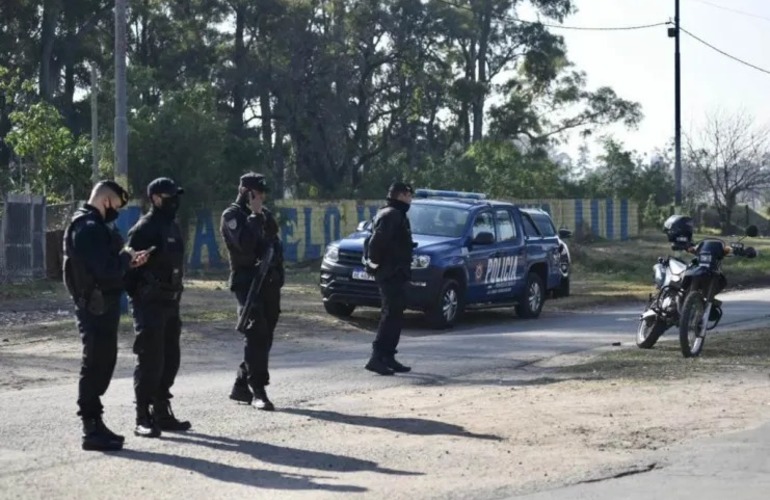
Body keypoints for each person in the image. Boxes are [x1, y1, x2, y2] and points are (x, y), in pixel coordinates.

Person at [62, 180, 151, 451]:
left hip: (103, 305)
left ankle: (96, 423)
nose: (117, 213)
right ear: (106, 201)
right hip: (94, 307)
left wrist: (128, 261)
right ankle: (91, 428)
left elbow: (110, 265)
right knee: (95, 364)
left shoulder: (97, 226)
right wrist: (126, 259)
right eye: (117, 207)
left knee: (104, 362)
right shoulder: (87, 228)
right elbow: (105, 269)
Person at [125, 177, 191, 438]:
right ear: (154, 198)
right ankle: (142, 415)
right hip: (149, 304)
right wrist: (141, 297)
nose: (174, 201)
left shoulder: (172, 227)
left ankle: (162, 412)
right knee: (150, 360)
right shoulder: (144, 228)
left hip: (170, 302)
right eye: (168, 196)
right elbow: (128, 272)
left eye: (176, 196)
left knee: (170, 359)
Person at [220, 173, 284, 410]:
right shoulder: (232, 216)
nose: (262, 196)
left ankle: (241, 382)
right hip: (247, 282)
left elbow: (274, 241)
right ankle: (258, 389)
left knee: (265, 336)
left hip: (269, 283)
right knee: (256, 332)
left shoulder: (263, 214)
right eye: (257, 192)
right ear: (245, 191)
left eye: (263, 192)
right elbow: (245, 245)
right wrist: (255, 215)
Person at [364, 181, 415, 376]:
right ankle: (376, 357)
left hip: (398, 273)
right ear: (401, 195)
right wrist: (375, 265)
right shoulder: (390, 214)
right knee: (389, 315)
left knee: (396, 315)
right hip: (389, 273)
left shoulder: (397, 214)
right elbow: (377, 243)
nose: (410, 199)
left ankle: (388, 356)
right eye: (409, 195)